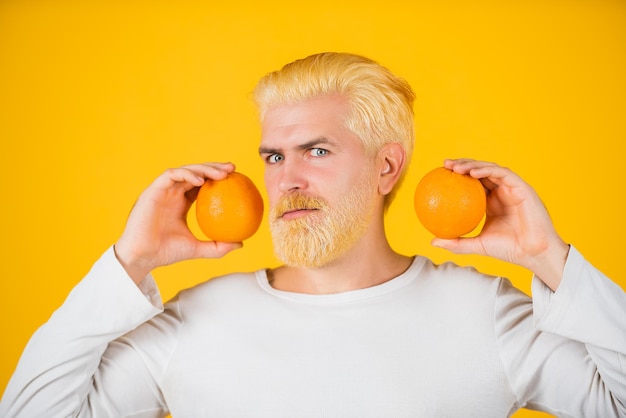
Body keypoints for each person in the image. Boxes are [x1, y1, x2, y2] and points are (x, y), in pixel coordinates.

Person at [1, 52, 625, 418]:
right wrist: (128, 262)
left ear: (387, 166)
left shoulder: (484, 313)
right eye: (273, 157)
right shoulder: (195, 319)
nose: (287, 180)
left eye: (316, 150)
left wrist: (552, 260)